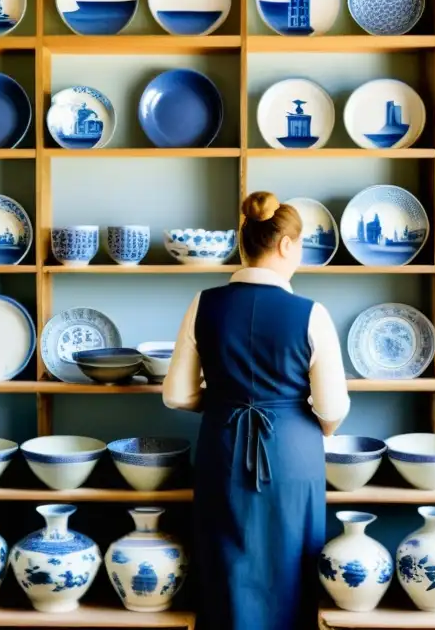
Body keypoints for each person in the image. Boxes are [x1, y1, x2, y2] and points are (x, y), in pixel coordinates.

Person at [163, 191, 350, 630]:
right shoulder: (310, 313)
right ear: (285, 245)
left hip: (221, 445)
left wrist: (225, 401)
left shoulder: (203, 303)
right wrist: (311, 421)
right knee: (291, 567)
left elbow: (176, 395)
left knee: (226, 564)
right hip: (293, 452)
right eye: (300, 244)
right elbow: (332, 407)